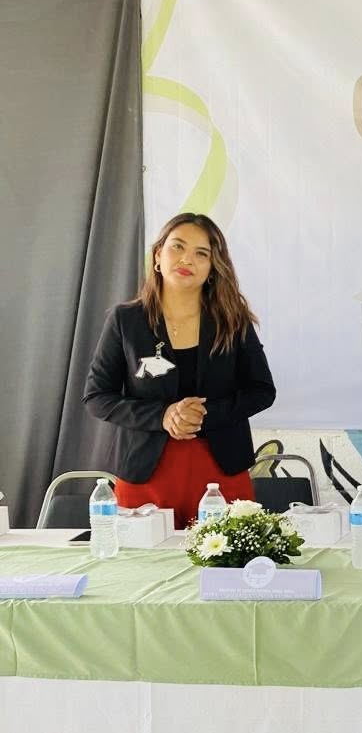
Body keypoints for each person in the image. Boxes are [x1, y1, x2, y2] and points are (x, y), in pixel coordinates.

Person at [83, 213, 274, 526]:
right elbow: (97, 396)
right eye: (178, 247)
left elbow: (262, 391)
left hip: (220, 470)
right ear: (158, 256)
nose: (188, 259)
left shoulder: (233, 320)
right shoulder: (126, 321)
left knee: (225, 568)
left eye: (202, 253)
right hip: (144, 471)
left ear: (213, 269)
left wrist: (205, 413)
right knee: (142, 569)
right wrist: (163, 415)